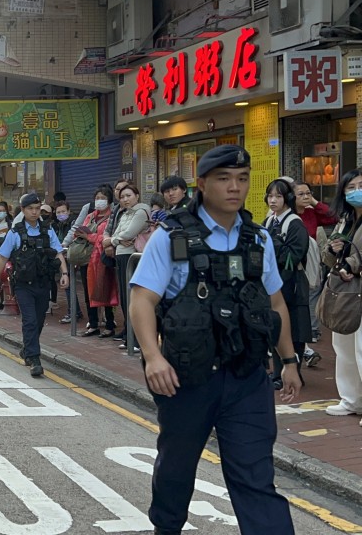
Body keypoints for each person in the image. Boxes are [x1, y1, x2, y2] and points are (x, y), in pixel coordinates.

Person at [128, 144, 301, 535]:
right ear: (203, 184)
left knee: (256, 478)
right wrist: (153, 357)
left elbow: (276, 302)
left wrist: (289, 361)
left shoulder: (258, 239)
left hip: (247, 378)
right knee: (176, 469)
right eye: (224, 179)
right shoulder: (171, 236)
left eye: (242, 179)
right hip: (188, 379)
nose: (234, 187)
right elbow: (142, 298)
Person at [0, 193, 69, 377]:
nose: (34, 212)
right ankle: (34, 359)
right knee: (30, 321)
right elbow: (2, 258)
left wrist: (64, 273)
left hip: (43, 283)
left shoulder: (48, 231)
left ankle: (27, 349)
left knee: (39, 320)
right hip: (23, 285)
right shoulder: (15, 232)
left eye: (37, 209)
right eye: (30, 209)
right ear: (23, 210)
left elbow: (58, 253)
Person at [319, 168, 362, 421]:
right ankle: (351, 400)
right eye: (351, 187)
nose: (357, 191)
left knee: (360, 348)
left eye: (360, 185)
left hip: (356, 287)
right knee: (343, 346)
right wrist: (333, 249)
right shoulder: (345, 219)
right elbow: (330, 257)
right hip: (344, 292)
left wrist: (352, 263)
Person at [263, 178, 312, 386]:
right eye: (270, 196)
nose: (272, 201)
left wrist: (276, 246)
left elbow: (295, 256)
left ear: (287, 199)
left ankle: (293, 372)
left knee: (295, 330)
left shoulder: (294, 223)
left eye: (278, 196)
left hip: (292, 283)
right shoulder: (269, 221)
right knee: (276, 326)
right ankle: (277, 374)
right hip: (274, 282)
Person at [294, 179, 339, 349]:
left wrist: (314, 202)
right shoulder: (288, 214)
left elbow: (333, 217)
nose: (305, 197)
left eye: (308, 193)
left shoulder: (311, 213)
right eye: (301, 194)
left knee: (313, 292)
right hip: (294, 261)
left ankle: (312, 329)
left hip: (311, 259)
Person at [107, 185, 150, 347]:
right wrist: (115, 239)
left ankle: (138, 340)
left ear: (137, 196)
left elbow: (128, 234)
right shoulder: (125, 213)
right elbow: (117, 234)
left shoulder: (141, 211)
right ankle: (130, 334)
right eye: (122, 197)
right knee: (125, 298)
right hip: (122, 256)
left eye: (129, 195)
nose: (125, 199)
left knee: (133, 298)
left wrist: (113, 240)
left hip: (132, 257)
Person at [76, 184, 119, 338]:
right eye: (97, 198)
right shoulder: (90, 216)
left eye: (103, 198)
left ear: (109, 200)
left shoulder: (113, 216)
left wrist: (89, 237)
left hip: (102, 259)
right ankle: (93, 324)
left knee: (105, 290)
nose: (99, 201)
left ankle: (109, 325)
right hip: (87, 259)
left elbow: (107, 237)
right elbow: (80, 230)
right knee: (89, 294)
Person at [52, 201, 81, 323]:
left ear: (69, 211)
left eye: (63, 211)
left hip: (71, 258)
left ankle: (73, 312)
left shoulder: (73, 224)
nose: (61, 214)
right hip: (62, 258)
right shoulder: (58, 225)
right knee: (68, 286)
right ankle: (75, 311)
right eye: (58, 212)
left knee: (69, 285)